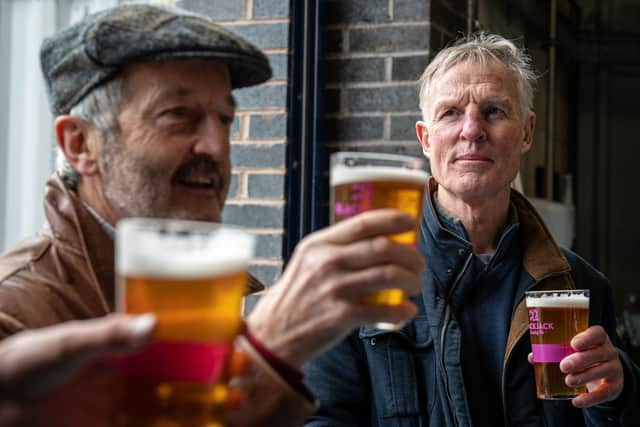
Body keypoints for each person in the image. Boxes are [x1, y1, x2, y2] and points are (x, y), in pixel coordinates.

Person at [0, 4, 425, 426]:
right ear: (79, 143)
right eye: (178, 115)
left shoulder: (192, 288)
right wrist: (265, 352)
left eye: (224, 119)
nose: (217, 147)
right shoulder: (14, 314)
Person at [303, 33, 640, 426]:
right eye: (450, 113)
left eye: (494, 111)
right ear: (425, 139)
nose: (472, 130)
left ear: (527, 132)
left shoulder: (580, 284)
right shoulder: (360, 274)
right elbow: (320, 418)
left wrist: (618, 393)